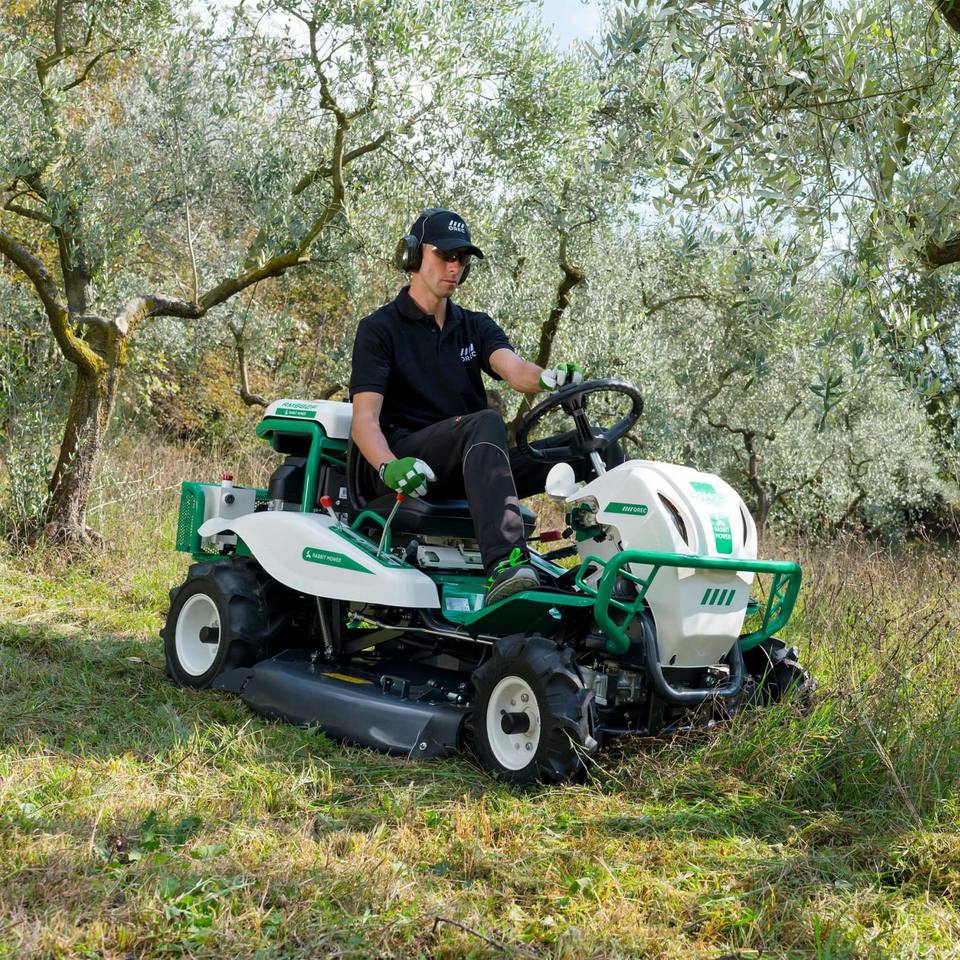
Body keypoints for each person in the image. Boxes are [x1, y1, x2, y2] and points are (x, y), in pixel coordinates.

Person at [349, 208, 613, 605]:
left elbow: (514, 369)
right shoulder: (379, 329)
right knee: (486, 422)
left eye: (462, 259)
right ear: (413, 255)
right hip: (410, 463)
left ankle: (616, 572)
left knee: (599, 445)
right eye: (445, 255)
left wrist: (547, 377)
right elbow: (364, 420)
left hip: (475, 464)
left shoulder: (474, 325)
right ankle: (507, 565)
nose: (454, 267)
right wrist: (388, 466)